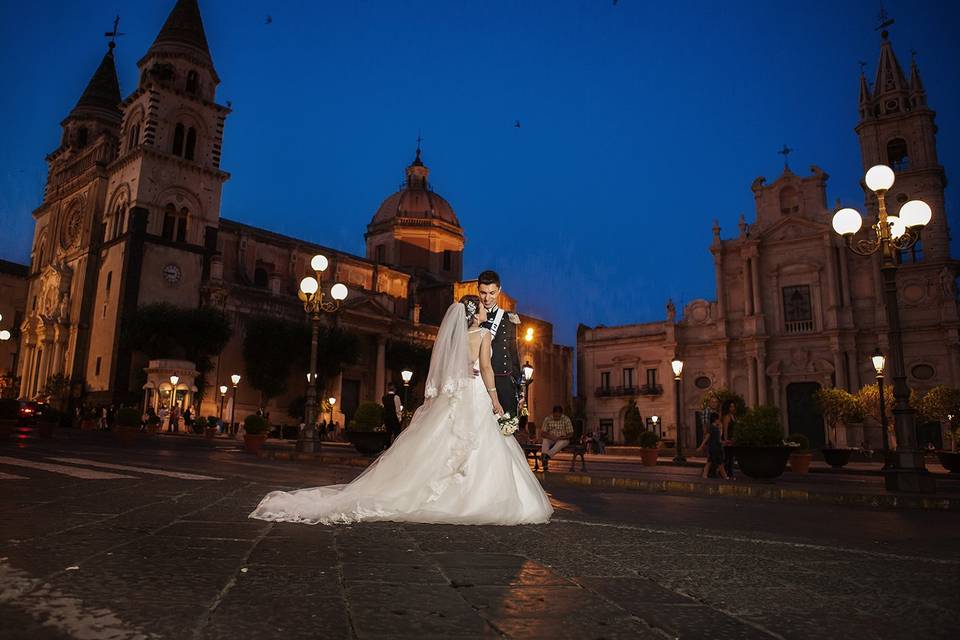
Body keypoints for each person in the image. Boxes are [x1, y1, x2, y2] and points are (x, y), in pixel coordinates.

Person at [249, 297, 553, 526]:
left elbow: (453, 369)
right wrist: (496, 398)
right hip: (476, 395)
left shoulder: (459, 339)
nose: (489, 310)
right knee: (480, 444)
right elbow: (485, 368)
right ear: (476, 314)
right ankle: (472, 495)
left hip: (458, 394)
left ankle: (446, 488)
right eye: (485, 308)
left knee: (445, 442)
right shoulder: (484, 336)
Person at [477, 270, 522, 419]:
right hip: (480, 380)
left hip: (503, 379)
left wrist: (518, 384)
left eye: (492, 293)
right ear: (478, 290)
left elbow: (513, 352)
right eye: (483, 293)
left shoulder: (509, 318)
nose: (487, 298)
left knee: (507, 428)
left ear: (499, 290)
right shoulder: (471, 316)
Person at [539, 406, 574, 472]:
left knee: (560, 443)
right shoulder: (548, 419)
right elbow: (542, 433)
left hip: (563, 438)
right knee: (545, 440)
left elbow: (571, 434)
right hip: (551, 437)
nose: (557, 418)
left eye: (558, 416)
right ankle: (544, 457)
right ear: (553, 414)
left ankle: (546, 456)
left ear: (561, 414)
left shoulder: (566, 419)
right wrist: (550, 437)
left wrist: (561, 438)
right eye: (555, 416)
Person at [698, 412, 730, 480]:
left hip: (717, 447)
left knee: (714, 462)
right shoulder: (712, 427)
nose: (719, 420)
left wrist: (724, 442)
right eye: (718, 419)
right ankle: (724, 476)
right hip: (714, 448)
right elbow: (707, 437)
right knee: (716, 462)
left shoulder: (716, 427)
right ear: (715, 419)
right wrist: (701, 446)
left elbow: (718, 439)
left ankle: (705, 474)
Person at [721, 400, 737, 477]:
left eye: (733, 406)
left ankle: (729, 472)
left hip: (732, 439)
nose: (732, 408)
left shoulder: (733, 416)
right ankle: (725, 473)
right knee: (727, 457)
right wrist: (726, 439)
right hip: (728, 440)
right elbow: (725, 429)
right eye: (731, 406)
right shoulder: (727, 417)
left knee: (731, 457)